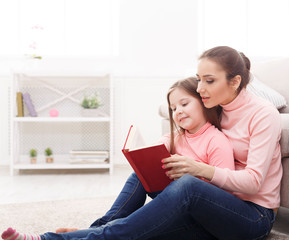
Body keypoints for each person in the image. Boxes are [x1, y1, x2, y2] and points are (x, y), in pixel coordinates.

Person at [1, 76, 236, 240]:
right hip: (173, 201)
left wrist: (192, 173)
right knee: (138, 175)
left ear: (204, 102)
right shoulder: (177, 137)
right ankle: (95, 229)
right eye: (174, 108)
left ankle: (51, 238)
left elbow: (221, 197)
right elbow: (159, 156)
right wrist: (148, 157)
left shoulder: (216, 141)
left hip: (197, 214)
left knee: (128, 231)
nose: (179, 111)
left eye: (184, 104)